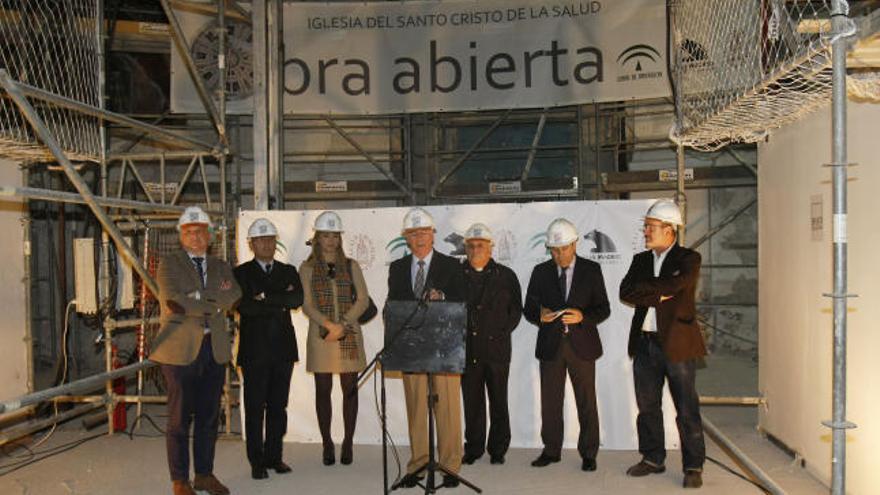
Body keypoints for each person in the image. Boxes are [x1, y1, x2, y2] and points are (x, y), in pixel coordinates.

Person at [151, 206, 241, 495]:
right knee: (179, 418)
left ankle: (204, 474)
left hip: (213, 349)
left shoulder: (221, 265)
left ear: (210, 236)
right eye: (190, 233)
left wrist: (199, 299)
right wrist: (213, 303)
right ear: (181, 236)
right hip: (178, 351)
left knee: (208, 416)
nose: (196, 238)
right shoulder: (169, 264)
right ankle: (179, 480)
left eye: (201, 232)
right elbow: (174, 301)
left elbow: (234, 295)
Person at [620, 199, 707, 489]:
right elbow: (627, 291)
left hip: (677, 344)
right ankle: (653, 458)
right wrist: (659, 295)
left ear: (669, 230)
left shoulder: (688, 258)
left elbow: (677, 285)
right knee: (647, 406)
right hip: (645, 344)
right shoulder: (640, 261)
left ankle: (693, 465)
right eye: (646, 226)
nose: (645, 231)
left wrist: (650, 290)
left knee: (686, 408)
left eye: (651, 226)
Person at [386, 207, 467, 489]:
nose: (419, 237)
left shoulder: (452, 265)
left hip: (445, 350)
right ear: (406, 238)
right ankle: (419, 463)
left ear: (433, 234)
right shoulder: (397, 268)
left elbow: (463, 301)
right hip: (411, 350)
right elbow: (391, 307)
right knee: (417, 408)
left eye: (424, 231)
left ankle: (451, 465)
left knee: (447, 409)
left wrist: (442, 297)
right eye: (413, 233)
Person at [523, 218, 610, 472]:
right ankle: (551, 451)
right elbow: (528, 308)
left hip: (582, 346)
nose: (559, 255)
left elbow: (603, 308)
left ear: (575, 244)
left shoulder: (591, 270)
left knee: (586, 401)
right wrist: (539, 315)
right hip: (551, 346)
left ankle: (589, 453)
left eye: (563, 249)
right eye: (554, 250)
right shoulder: (540, 272)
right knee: (550, 401)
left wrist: (584, 317)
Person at [300, 211, 372, 466]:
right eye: (325, 235)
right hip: (321, 336)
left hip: (348, 334)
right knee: (323, 390)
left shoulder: (351, 265)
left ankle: (348, 442)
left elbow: (363, 300)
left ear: (340, 239)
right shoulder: (307, 268)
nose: (330, 240)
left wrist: (341, 324)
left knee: (349, 390)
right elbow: (306, 304)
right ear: (317, 238)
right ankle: (327, 443)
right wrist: (329, 325)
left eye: (334, 235)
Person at [234, 218, 303, 480]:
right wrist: (279, 300)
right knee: (254, 408)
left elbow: (297, 299)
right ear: (251, 244)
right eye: (261, 240)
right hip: (254, 352)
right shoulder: (240, 273)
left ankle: (275, 457)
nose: (267, 244)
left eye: (271, 239)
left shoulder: (288, 270)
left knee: (278, 407)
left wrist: (265, 297)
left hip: (283, 350)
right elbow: (245, 307)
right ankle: (257, 461)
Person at [459, 223, 522, 466]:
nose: (476, 249)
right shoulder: (456, 275)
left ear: (490, 248)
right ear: (465, 249)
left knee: (498, 401)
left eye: (481, 245)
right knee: (472, 402)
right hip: (467, 351)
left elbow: (516, 309)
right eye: (471, 246)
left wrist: (500, 332)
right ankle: (473, 448)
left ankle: (498, 449)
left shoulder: (506, 276)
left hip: (497, 351)